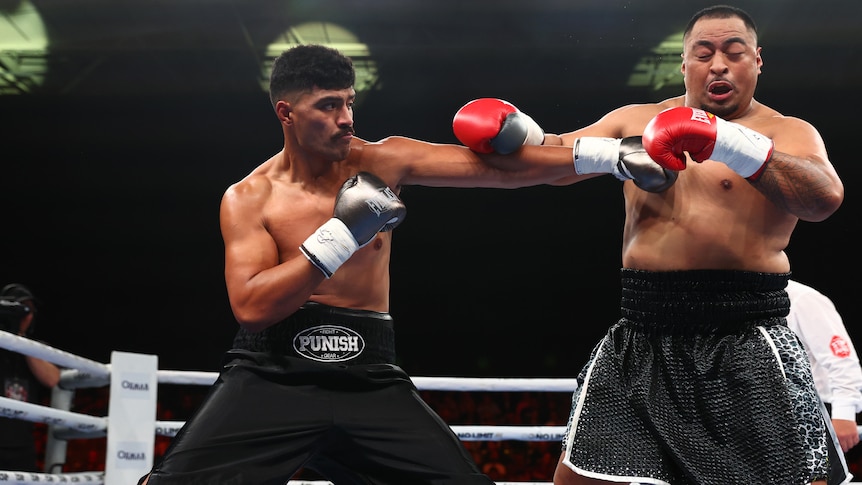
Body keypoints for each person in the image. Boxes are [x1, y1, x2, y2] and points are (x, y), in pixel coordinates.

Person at [138, 44, 587, 485]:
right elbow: (253, 308)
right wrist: (342, 234)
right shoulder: (249, 197)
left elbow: (510, 172)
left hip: (370, 376)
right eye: (329, 105)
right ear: (286, 113)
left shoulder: (382, 162)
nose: (347, 119)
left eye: (350, 102)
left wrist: (614, 155)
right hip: (272, 375)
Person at [451, 4, 847, 484]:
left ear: (757, 61)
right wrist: (512, 134)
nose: (718, 64)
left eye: (733, 52)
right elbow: (553, 159)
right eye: (703, 53)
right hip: (644, 334)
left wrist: (725, 142)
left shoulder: (788, 132)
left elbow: (823, 198)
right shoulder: (634, 121)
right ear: (684, 65)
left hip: (743, 334)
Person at [786, 279, 862, 454]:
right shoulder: (736, 301)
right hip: (767, 412)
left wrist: (844, 413)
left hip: (814, 411)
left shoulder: (802, 298)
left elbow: (841, 360)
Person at [0, 283, 61, 472]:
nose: (27, 315)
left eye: (30, 310)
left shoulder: (34, 348)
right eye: (21, 308)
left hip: (22, 441)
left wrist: (20, 340)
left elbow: (52, 379)